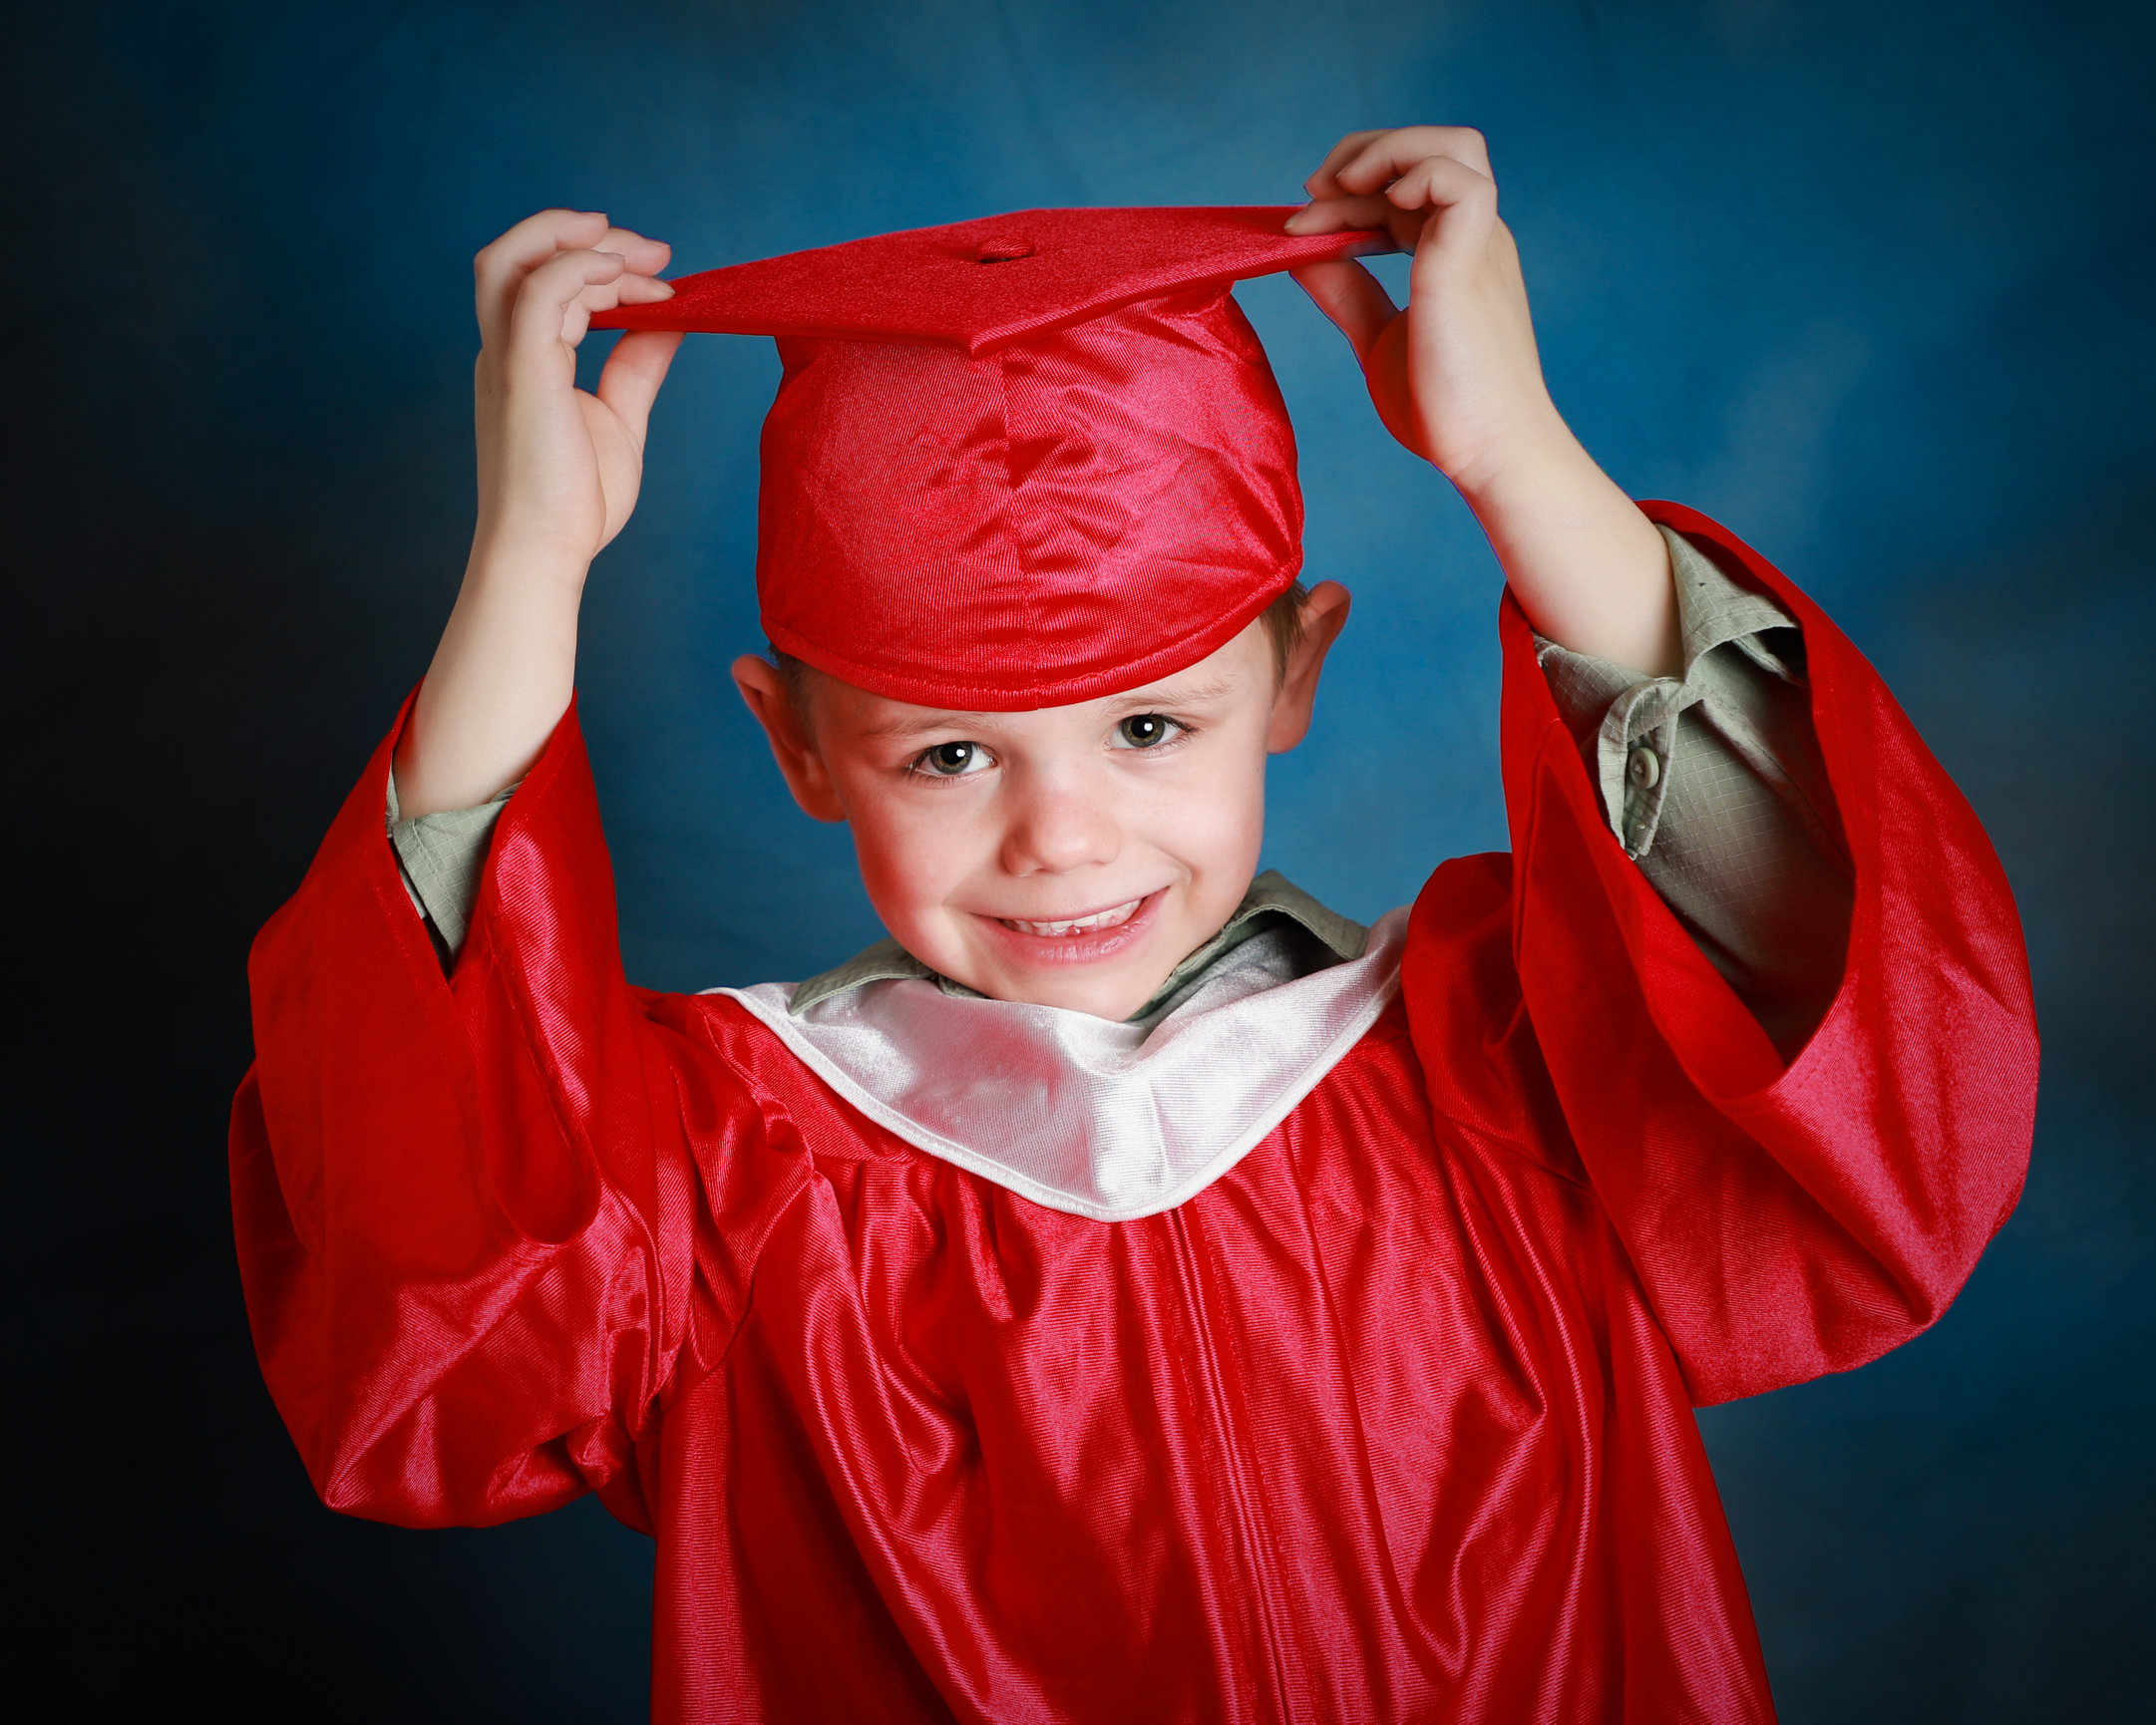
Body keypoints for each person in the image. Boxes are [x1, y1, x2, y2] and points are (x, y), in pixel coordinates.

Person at [230, 127, 2036, 1723]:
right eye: (947, 750)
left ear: (1294, 673)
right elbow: (431, 1318)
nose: (1061, 831)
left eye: (1149, 726)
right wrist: (524, 575)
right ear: (796, 746)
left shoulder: (1502, 1057)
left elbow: (1840, 1029)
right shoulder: (720, 1169)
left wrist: (1515, 462)